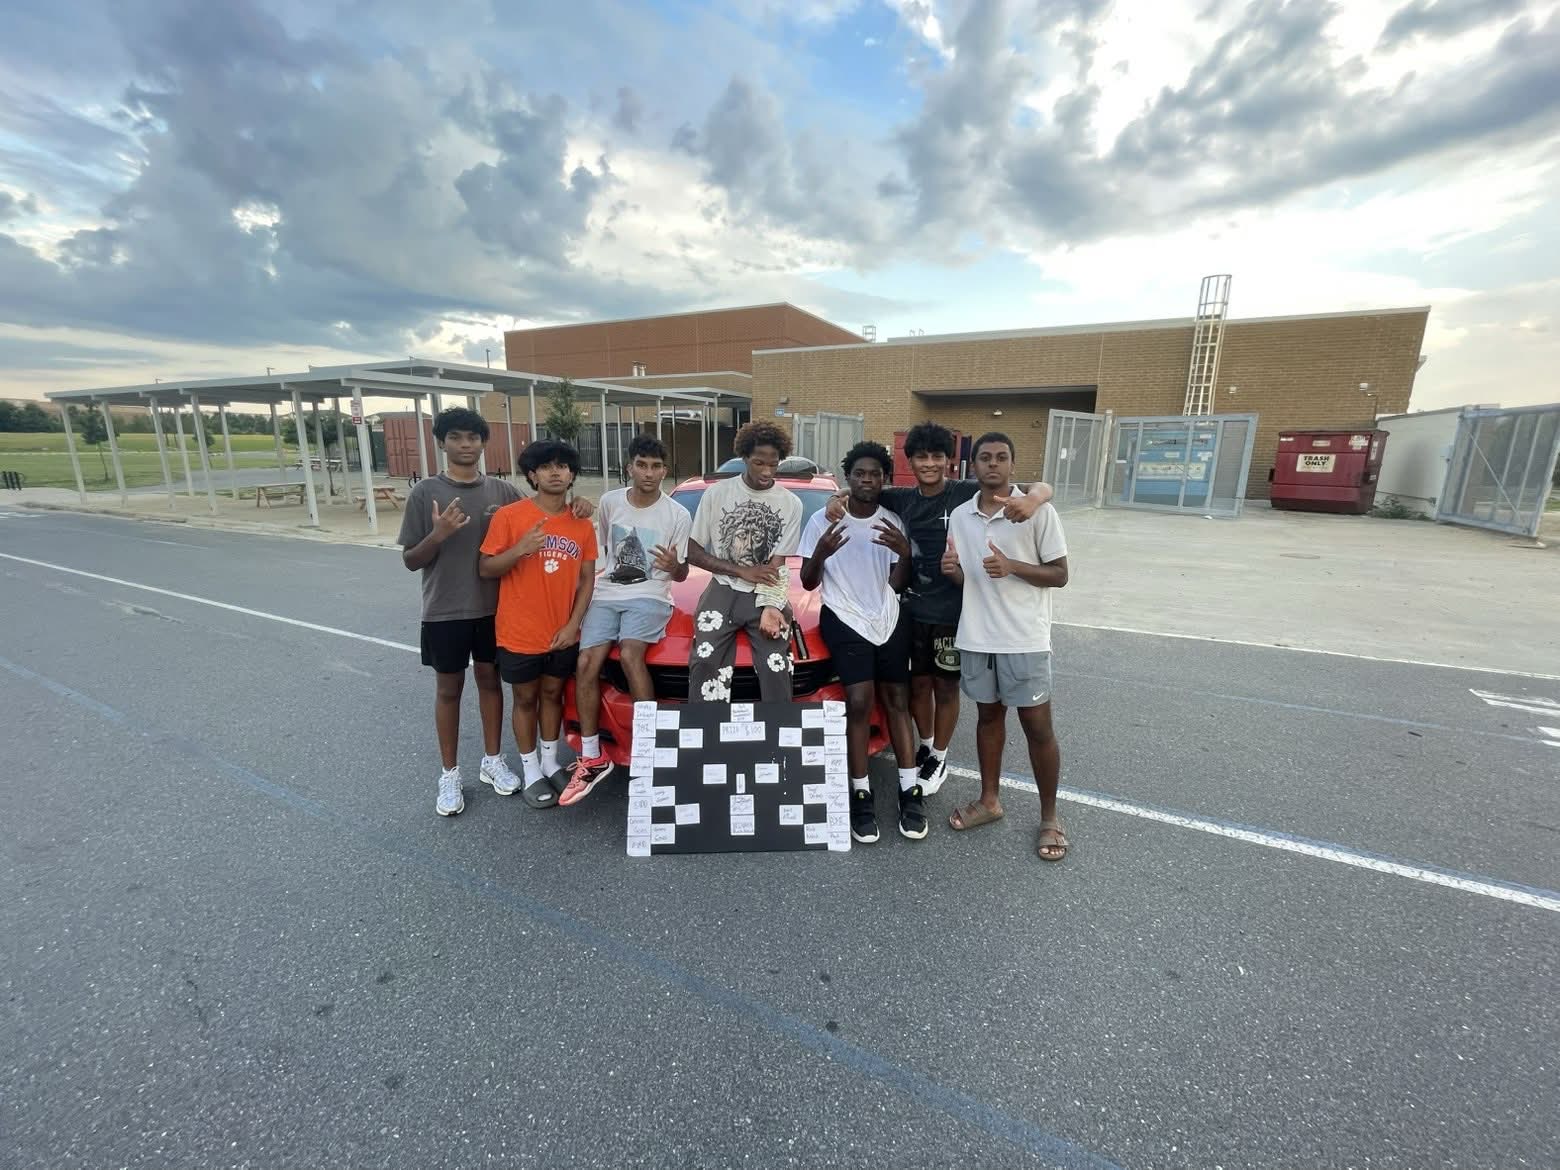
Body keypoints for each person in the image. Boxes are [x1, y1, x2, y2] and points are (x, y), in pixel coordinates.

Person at [827, 421, 1052, 794]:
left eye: (936, 456)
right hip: (911, 611)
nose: (929, 463)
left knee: (946, 688)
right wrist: (836, 497)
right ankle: (927, 745)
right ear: (910, 461)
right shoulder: (901, 499)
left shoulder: (965, 491)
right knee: (918, 686)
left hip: (955, 610)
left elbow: (1035, 488)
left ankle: (940, 756)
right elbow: (862, 489)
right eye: (921, 457)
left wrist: (1036, 498)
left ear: (949, 461)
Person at [941, 432, 1070, 862]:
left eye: (1001, 457)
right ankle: (989, 800)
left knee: (1037, 727)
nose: (993, 464)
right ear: (973, 465)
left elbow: (1060, 575)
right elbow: (971, 581)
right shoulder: (961, 515)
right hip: (977, 636)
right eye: (985, 457)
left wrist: (1012, 565)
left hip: (1024, 637)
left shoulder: (1037, 511)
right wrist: (953, 572)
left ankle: (1049, 817)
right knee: (988, 718)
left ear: (1013, 465)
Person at [398, 407, 524, 817]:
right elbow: (411, 560)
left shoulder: (503, 492)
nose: (465, 444)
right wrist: (438, 535)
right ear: (441, 442)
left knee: (491, 682)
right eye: (455, 437)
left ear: (484, 443)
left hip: (494, 608)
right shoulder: (425, 493)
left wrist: (575, 506)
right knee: (449, 689)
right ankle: (449, 774)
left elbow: (541, 517)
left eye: (473, 437)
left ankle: (493, 761)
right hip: (444, 609)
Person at [798, 441, 923, 842]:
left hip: (887, 617)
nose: (867, 480)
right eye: (859, 473)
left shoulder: (892, 521)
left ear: (884, 479)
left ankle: (910, 789)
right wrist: (820, 552)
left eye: (874, 474)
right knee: (858, 701)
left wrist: (905, 555)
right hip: (843, 616)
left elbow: (897, 584)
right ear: (847, 477)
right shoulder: (822, 520)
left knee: (898, 701)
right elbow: (808, 583)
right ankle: (861, 792)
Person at [559, 434, 690, 806]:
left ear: (665, 471)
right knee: (586, 662)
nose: (648, 473)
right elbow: (603, 547)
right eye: (641, 465)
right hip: (607, 593)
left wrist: (673, 566)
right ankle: (592, 756)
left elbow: (682, 574)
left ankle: (652, 751)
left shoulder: (677, 514)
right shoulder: (610, 502)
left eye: (656, 466)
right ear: (629, 466)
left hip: (651, 595)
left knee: (632, 655)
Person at [479, 440, 598, 809]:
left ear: (572, 474)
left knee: (553, 695)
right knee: (525, 698)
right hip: (519, 631)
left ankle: (550, 762)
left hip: (562, 631)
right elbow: (486, 568)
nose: (555, 472)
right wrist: (520, 549)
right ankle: (530, 769)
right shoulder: (509, 516)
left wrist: (573, 624)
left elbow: (587, 580)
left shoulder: (581, 523)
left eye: (562, 466)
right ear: (532, 475)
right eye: (546, 467)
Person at [686, 420, 803, 703]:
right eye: (758, 462)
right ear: (745, 458)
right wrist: (740, 570)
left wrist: (771, 606)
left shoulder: (791, 504)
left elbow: (777, 564)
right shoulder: (717, 493)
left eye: (773, 464)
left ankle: (777, 726)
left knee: (776, 664)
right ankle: (706, 725)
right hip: (722, 589)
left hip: (765, 590)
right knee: (705, 661)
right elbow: (692, 551)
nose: (766, 471)